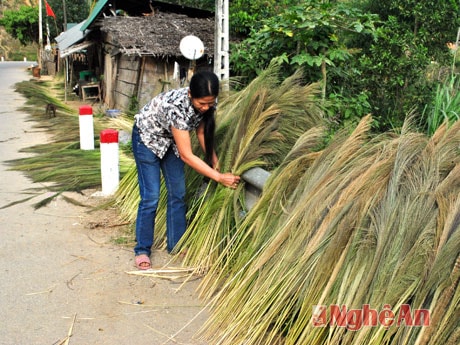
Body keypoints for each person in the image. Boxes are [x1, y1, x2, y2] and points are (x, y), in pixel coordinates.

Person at [132, 71, 240, 270]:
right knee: (151, 197)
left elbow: (201, 131)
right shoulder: (177, 107)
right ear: (190, 94)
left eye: (210, 103)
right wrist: (217, 176)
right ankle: (142, 249)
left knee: (178, 194)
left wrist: (213, 160)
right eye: (202, 104)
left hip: (170, 142)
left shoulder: (209, 103)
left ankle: (176, 244)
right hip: (147, 139)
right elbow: (187, 155)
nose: (206, 107)